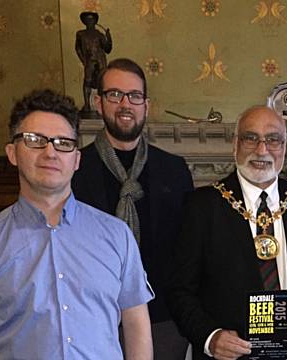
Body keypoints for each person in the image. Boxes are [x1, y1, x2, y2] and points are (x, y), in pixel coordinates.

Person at [167, 106, 287, 360]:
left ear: (285, 146)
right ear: (235, 143)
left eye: (273, 140)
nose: (262, 150)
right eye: (250, 138)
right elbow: (179, 290)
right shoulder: (202, 206)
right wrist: (210, 337)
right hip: (229, 356)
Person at [0, 89, 153, 359]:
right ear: (12, 152)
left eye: (63, 143)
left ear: (76, 159)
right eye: (35, 140)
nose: (50, 152)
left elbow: (136, 324)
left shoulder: (116, 234)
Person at [72, 58, 194, 359]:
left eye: (134, 96)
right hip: (93, 318)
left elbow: (188, 250)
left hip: (163, 320)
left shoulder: (174, 170)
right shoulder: (74, 168)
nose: (125, 104)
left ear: (146, 105)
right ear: (98, 102)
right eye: (115, 95)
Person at [75, 11, 112, 114]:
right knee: (87, 81)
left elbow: (107, 49)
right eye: (87, 19)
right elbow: (77, 48)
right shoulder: (81, 34)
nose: (90, 21)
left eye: (92, 19)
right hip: (89, 60)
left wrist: (108, 38)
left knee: (102, 82)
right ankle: (87, 105)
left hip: (100, 60)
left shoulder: (99, 34)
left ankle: (103, 104)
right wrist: (83, 60)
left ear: (95, 21)